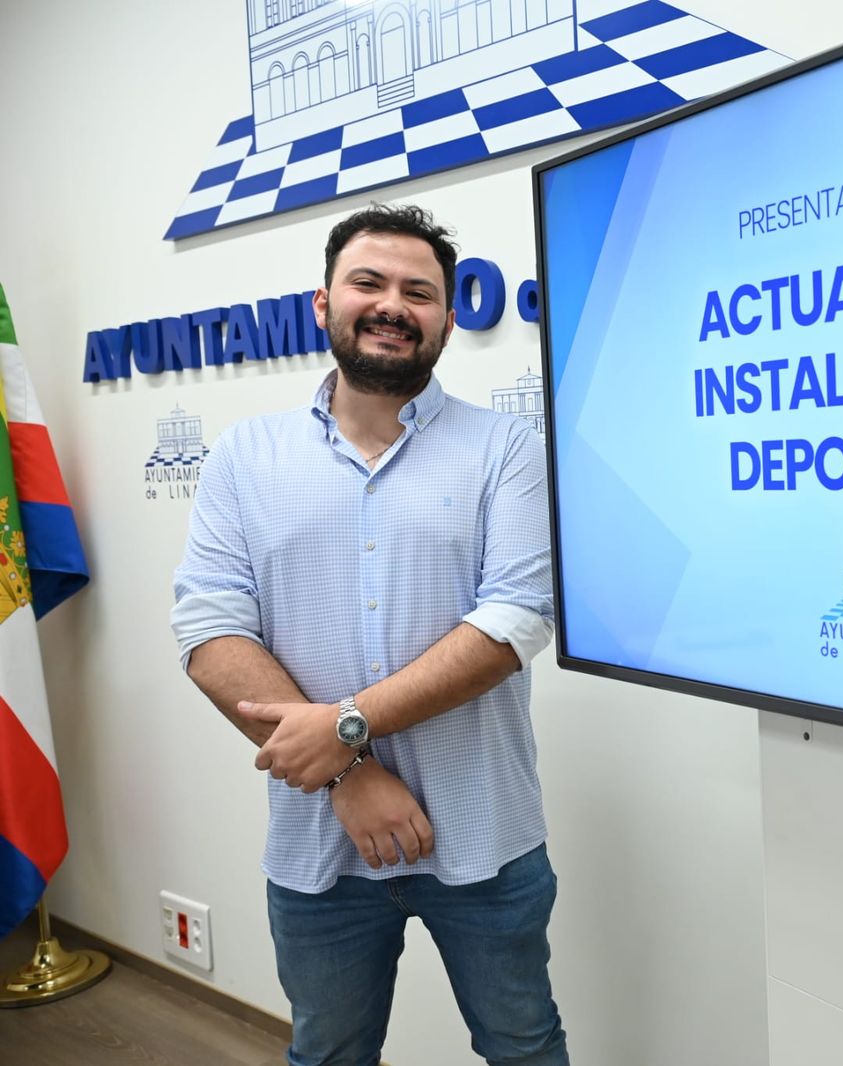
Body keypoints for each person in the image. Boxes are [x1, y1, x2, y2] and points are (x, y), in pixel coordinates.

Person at [172, 203, 568, 1066]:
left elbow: (513, 620)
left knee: (524, 1045)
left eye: (418, 291)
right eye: (369, 282)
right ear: (323, 304)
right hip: (320, 846)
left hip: (486, 836)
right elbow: (208, 627)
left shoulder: (506, 448)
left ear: (447, 319)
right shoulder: (247, 455)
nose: (393, 304)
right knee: (328, 1053)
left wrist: (347, 726)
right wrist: (349, 775)